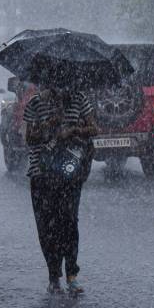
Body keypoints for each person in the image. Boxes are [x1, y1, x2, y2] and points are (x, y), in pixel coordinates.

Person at [24, 86, 98, 294]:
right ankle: (53, 275)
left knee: (69, 222)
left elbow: (93, 128)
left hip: (70, 173)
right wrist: (51, 124)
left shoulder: (79, 98)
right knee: (46, 226)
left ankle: (72, 275)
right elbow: (29, 137)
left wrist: (73, 131)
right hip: (41, 174)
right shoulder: (35, 103)